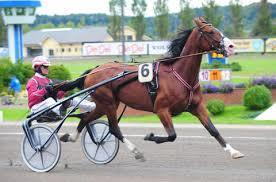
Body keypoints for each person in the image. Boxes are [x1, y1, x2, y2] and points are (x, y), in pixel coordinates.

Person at [26, 56, 96, 121]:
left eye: (48, 67)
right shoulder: (33, 81)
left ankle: (94, 107)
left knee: (72, 99)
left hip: (49, 107)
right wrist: (45, 90)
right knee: (49, 100)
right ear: (37, 67)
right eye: (45, 67)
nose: (47, 68)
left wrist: (64, 90)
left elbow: (57, 96)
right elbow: (32, 97)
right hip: (36, 108)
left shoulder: (48, 80)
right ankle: (60, 112)